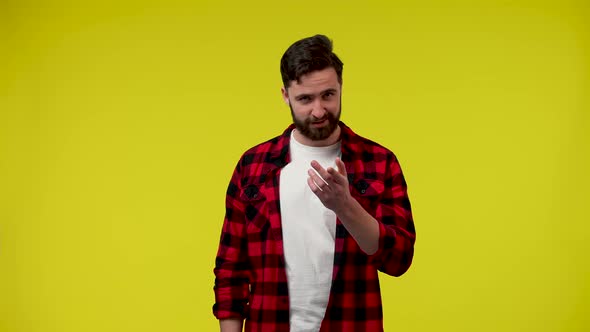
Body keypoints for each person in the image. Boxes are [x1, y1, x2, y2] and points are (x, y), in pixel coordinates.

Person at [213, 34, 416, 332]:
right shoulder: (252, 166)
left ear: (341, 87)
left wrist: (345, 206)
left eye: (328, 95)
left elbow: (399, 259)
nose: (319, 111)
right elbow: (231, 270)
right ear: (285, 95)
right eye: (305, 99)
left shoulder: (379, 161)